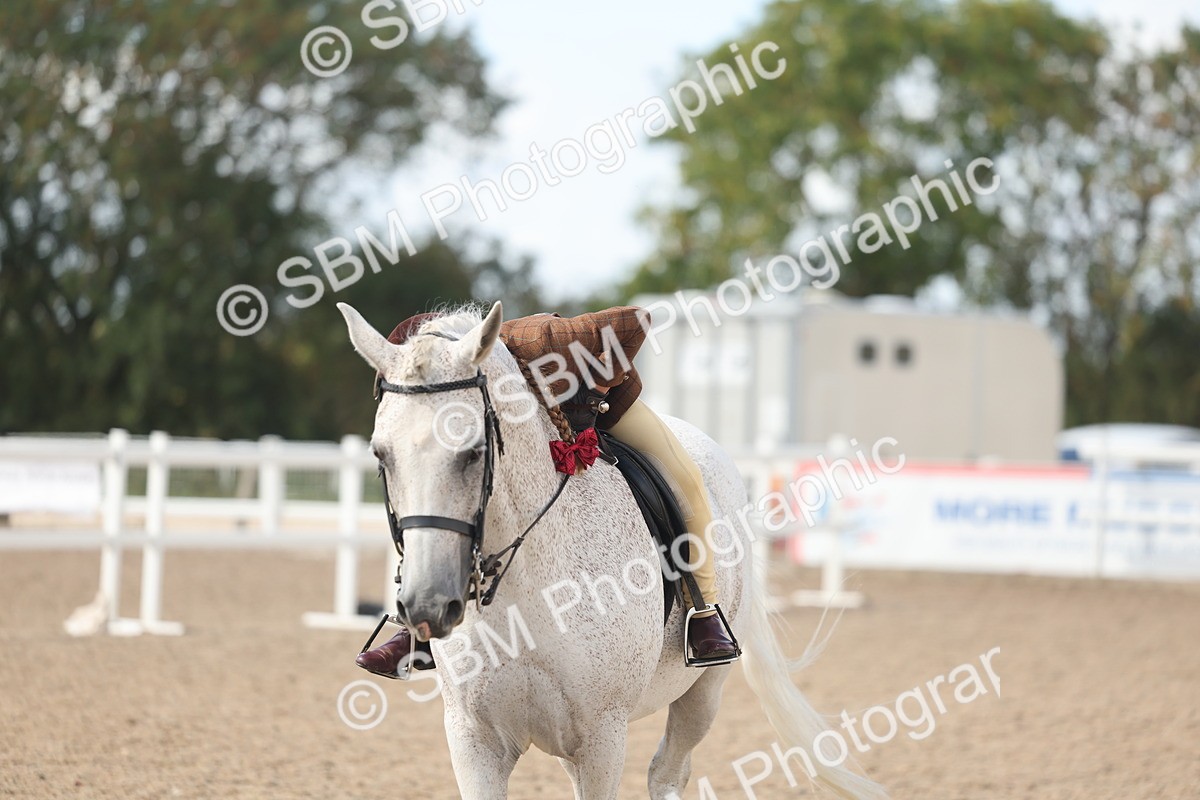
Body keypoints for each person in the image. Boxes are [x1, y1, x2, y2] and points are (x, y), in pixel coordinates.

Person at [356, 307, 738, 677]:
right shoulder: (470, 385)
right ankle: (417, 627)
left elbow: (636, 321)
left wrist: (597, 387)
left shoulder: (550, 339)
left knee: (687, 481)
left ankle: (704, 610)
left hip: (609, 405)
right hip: (534, 413)